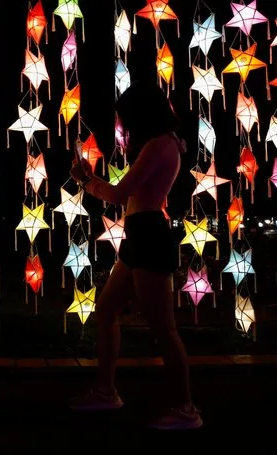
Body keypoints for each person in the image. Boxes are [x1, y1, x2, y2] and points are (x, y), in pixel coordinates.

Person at [68, 82, 202, 430]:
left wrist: (87, 180)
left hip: (150, 237)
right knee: (107, 308)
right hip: (138, 234)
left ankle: (186, 408)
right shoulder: (162, 143)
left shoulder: (160, 145)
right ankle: (105, 390)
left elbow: (120, 193)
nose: (123, 126)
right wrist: (90, 181)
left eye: (125, 118)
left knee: (164, 328)